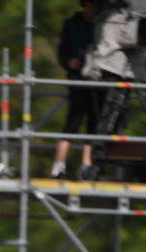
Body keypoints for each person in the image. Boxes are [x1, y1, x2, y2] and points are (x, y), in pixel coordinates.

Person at [50, 0, 103, 181]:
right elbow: (62, 52)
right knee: (74, 120)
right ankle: (59, 166)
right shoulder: (72, 24)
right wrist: (69, 62)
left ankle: (87, 166)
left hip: (99, 78)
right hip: (78, 77)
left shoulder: (104, 24)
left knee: (95, 123)